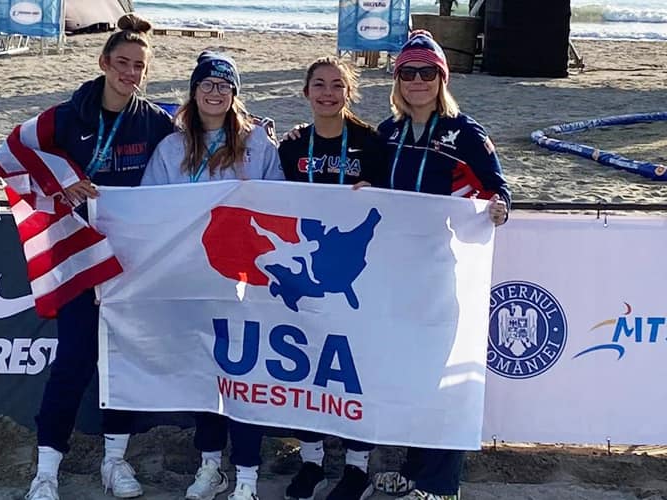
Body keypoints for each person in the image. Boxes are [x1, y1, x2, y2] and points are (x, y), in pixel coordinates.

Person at [0, 14, 174, 500]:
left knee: (122, 361)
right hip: (77, 256)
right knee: (74, 359)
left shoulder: (154, 120)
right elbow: (6, 152)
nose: (130, 73)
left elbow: (192, 147)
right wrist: (62, 178)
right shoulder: (68, 115)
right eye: (122, 63)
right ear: (103, 62)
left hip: (130, 260)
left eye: (139, 66)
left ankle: (115, 462)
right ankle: (46, 470)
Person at [371, 30, 510, 500]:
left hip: (442, 269)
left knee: (443, 374)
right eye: (408, 72)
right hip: (395, 274)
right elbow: (365, 185)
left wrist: (499, 208)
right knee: (410, 374)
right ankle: (414, 469)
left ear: (442, 78)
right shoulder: (387, 131)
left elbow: (499, 188)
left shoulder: (464, 131)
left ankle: (441, 483)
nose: (417, 80)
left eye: (427, 72)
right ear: (397, 79)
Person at [142, 51, 284, 500]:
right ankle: (210, 467)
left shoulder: (259, 144)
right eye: (208, 84)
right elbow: (149, 206)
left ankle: (246, 477)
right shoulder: (171, 147)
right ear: (194, 90)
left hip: (244, 279)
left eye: (225, 85)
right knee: (206, 376)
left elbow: (280, 202)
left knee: (243, 377)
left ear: (235, 93)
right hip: (192, 276)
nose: (216, 92)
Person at [277, 56, 385, 500]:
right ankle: (312, 460)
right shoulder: (291, 146)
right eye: (318, 85)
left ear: (349, 92)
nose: (327, 92)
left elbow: (392, 204)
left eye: (337, 85)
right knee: (308, 366)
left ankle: (357, 467)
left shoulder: (371, 142)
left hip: (358, 273)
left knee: (355, 368)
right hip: (309, 274)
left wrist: (374, 193)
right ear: (305, 93)